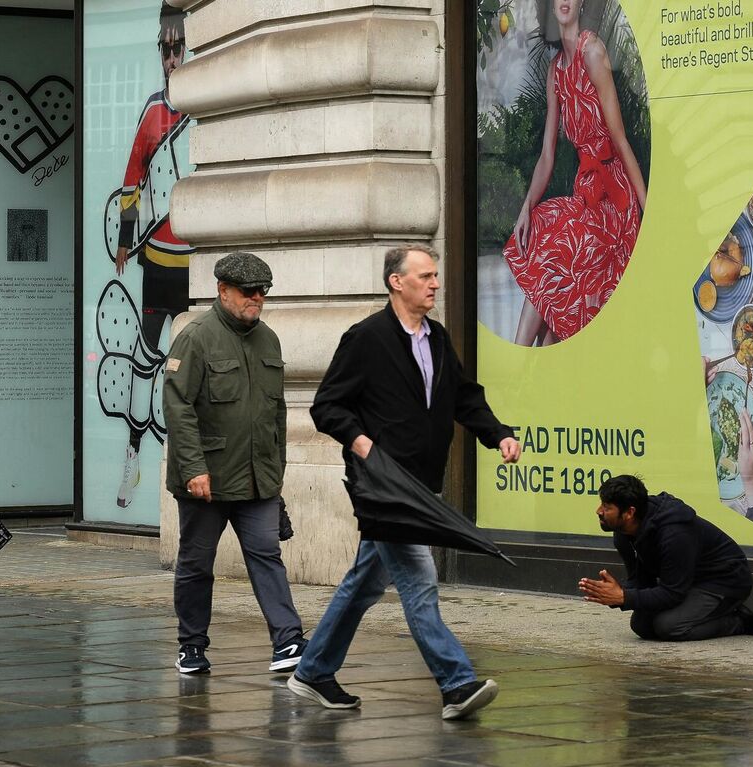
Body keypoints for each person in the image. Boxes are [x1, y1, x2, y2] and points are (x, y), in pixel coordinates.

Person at [289, 244, 521, 721]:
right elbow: (327, 406)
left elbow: (463, 397)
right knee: (419, 581)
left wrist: (498, 435)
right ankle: (456, 682)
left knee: (364, 585)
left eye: (436, 276)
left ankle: (313, 671)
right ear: (397, 282)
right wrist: (363, 444)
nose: (435, 283)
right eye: (425, 276)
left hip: (422, 484)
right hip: (386, 489)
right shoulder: (366, 338)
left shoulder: (435, 336)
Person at [161, 252, 306, 676]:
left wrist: (276, 474)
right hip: (207, 478)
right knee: (196, 564)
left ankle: (288, 641)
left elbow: (276, 412)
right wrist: (193, 469)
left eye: (263, 292)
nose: (257, 299)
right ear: (223, 291)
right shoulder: (195, 337)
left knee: (266, 553)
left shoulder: (270, 340)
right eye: (248, 291)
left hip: (258, 479)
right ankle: (191, 646)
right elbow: (178, 405)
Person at [503, 0, 647, 347]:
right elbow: (547, 157)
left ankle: (520, 362)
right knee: (541, 225)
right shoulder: (556, 71)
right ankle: (532, 366)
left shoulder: (593, 52)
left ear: (581, 2)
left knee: (559, 246)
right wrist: (524, 209)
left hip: (615, 201)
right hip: (587, 195)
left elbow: (620, 140)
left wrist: (649, 213)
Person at [111, 4, 196, 508]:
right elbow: (131, 179)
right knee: (146, 360)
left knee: (185, 365)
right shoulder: (152, 111)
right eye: (165, 49)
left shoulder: (204, 110)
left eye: (178, 47)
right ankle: (132, 458)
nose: (172, 57)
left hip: (196, 263)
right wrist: (125, 239)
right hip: (157, 261)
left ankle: (181, 460)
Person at [579, 474, 753, 641]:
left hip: (725, 581)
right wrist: (615, 593)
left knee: (669, 626)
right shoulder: (623, 533)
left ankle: (739, 621)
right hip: (687, 582)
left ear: (629, 513)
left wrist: (624, 597)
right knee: (641, 625)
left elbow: (672, 593)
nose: (599, 511)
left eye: (607, 507)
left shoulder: (674, 534)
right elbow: (641, 580)